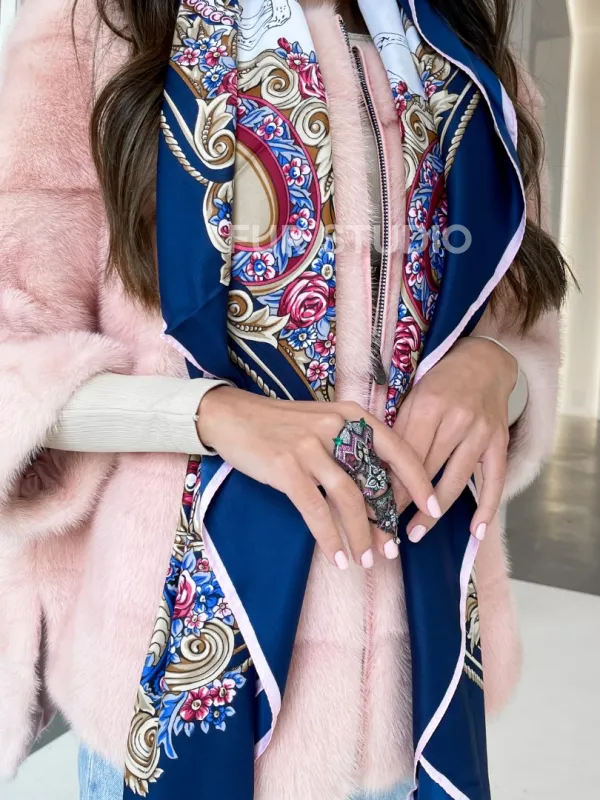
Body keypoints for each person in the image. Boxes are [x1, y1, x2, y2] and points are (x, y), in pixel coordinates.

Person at [0, 0, 566, 798]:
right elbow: (17, 362)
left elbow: (520, 314)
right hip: (172, 664)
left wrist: (496, 367)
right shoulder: (96, 22)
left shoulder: (454, 33)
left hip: (416, 680)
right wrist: (210, 415)